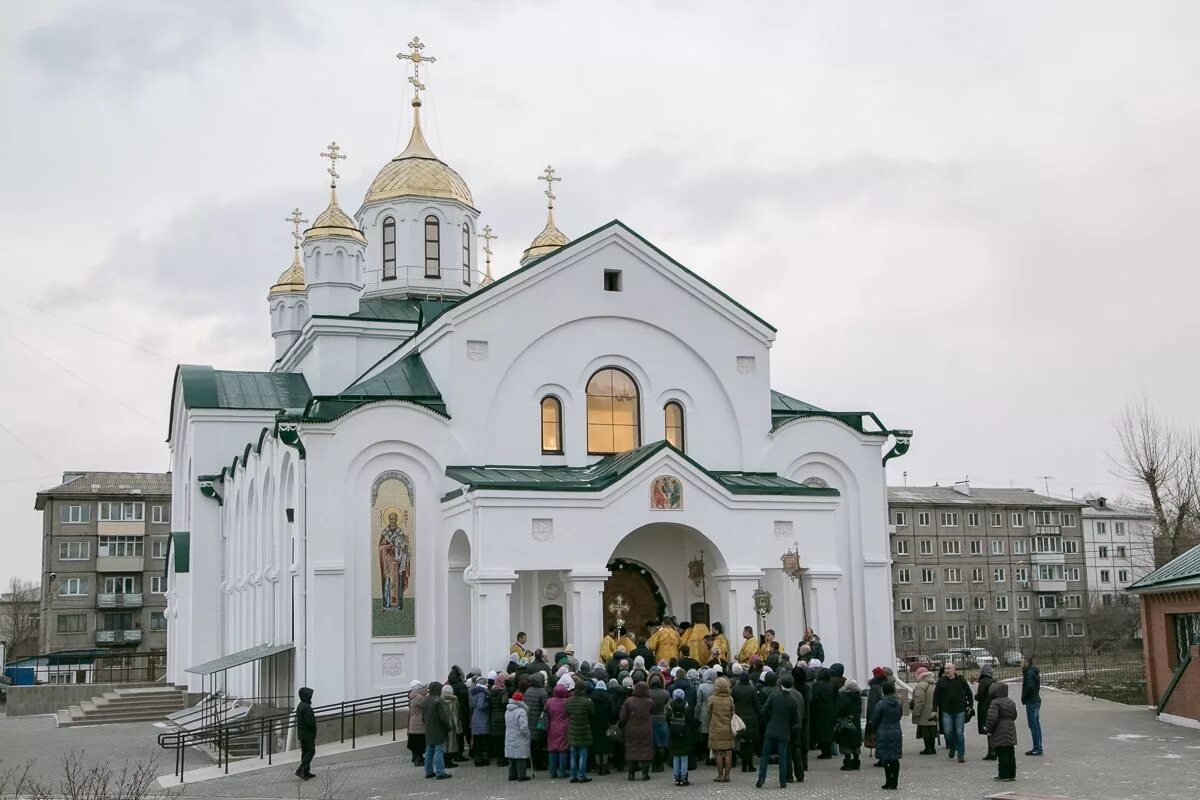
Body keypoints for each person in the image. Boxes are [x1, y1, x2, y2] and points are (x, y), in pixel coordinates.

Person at [755, 670, 799, 789]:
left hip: (771, 729)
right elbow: (795, 719)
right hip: (784, 731)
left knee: (765, 755)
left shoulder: (774, 696)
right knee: (783, 757)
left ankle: (761, 778)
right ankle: (782, 781)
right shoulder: (793, 701)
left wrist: (767, 722)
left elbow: (764, 710)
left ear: (781, 685)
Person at [934, 661, 973, 762]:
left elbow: (969, 693)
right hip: (946, 710)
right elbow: (935, 697)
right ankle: (952, 747)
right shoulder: (941, 681)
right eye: (945, 668)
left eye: (948, 668)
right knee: (948, 732)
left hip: (960, 710)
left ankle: (961, 754)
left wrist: (970, 706)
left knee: (959, 733)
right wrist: (934, 710)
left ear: (954, 670)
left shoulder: (960, 680)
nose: (946, 670)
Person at [619, 681, 655, 780]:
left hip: (631, 729)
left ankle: (631, 775)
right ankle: (645, 774)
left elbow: (622, 718)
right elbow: (652, 712)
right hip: (646, 729)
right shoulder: (650, 702)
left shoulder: (629, 701)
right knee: (646, 750)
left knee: (631, 750)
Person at [871, 681, 903, 790]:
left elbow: (875, 719)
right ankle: (895, 782)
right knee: (895, 758)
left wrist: (875, 729)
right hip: (896, 731)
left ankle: (888, 781)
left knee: (886, 758)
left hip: (883, 732)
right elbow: (899, 715)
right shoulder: (898, 703)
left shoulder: (881, 704)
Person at [985, 681, 1018, 782]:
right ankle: (1012, 774)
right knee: (1010, 752)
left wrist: (988, 729)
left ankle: (1003, 775)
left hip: (1000, 730)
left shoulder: (995, 703)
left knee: (1002, 753)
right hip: (1011, 728)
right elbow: (1015, 715)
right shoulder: (1011, 702)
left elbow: (992, 718)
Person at [730, 666, 761, 772]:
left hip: (739, 717)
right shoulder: (752, 689)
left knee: (742, 741)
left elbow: (732, 703)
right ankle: (750, 764)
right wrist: (759, 716)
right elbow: (756, 704)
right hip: (751, 718)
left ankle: (743, 765)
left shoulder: (735, 689)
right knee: (749, 741)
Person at [706, 676, 735, 782]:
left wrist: (709, 724)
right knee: (728, 752)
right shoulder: (730, 699)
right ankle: (727, 775)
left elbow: (708, 714)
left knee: (718, 752)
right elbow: (732, 713)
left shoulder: (712, 699)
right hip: (727, 728)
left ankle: (720, 775)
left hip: (716, 728)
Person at [422, 681, 453, 780]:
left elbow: (423, 717)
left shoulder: (425, 700)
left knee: (429, 750)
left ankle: (429, 771)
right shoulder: (439, 701)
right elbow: (443, 717)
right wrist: (448, 727)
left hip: (428, 728)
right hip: (438, 729)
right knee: (439, 750)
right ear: (438, 690)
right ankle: (440, 772)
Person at [564, 683, 594, 782]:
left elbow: (567, 713)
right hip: (584, 731)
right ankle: (581, 775)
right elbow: (592, 714)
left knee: (573, 755)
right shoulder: (587, 702)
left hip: (572, 730)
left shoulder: (568, 702)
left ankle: (573, 776)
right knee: (582, 755)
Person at [834, 678, 863, 770]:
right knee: (855, 743)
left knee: (845, 743)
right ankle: (856, 761)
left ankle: (848, 763)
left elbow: (838, 711)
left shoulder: (843, 698)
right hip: (856, 722)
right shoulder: (858, 697)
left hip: (845, 723)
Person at [667, 688, 693, 785]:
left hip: (673, 731)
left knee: (675, 755)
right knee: (684, 755)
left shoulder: (670, 705)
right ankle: (683, 778)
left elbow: (667, 718)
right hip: (684, 731)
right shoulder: (686, 705)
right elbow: (690, 718)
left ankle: (676, 777)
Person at [808, 667, 837, 759]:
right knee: (828, 731)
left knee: (821, 732)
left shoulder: (817, 685)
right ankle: (828, 751)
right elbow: (836, 698)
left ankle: (824, 752)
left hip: (819, 711)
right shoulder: (832, 685)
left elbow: (813, 698)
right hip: (831, 710)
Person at [590, 679, 616, 775]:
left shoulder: (591, 699)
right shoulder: (608, 698)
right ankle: (604, 767)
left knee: (597, 748)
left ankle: (598, 767)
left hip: (595, 726)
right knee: (605, 747)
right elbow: (613, 712)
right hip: (606, 725)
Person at [909, 667, 938, 755]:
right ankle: (933, 748)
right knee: (932, 730)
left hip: (924, 712)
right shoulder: (933, 684)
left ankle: (928, 748)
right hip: (933, 711)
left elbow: (919, 701)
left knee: (925, 731)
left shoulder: (921, 685)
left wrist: (916, 713)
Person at [523, 672, 549, 769]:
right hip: (538, 720)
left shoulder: (528, 691)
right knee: (539, 743)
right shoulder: (543, 692)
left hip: (529, 719)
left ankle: (529, 763)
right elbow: (545, 707)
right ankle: (538, 764)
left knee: (531, 743)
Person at [504, 690, 531, 781]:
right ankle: (521, 775)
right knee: (520, 757)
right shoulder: (521, 711)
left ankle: (512, 775)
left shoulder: (507, 710)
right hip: (519, 736)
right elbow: (523, 727)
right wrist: (528, 734)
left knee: (512, 756)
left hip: (509, 735)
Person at [647, 672, 671, 771]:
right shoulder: (666, 693)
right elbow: (669, 706)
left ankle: (653, 766)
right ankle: (660, 765)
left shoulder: (647, 693)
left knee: (652, 744)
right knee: (661, 744)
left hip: (650, 719)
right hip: (662, 720)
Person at [546, 682, 570, 778]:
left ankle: (552, 772)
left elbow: (546, 712)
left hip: (552, 727)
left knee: (552, 749)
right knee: (562, 749)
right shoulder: (567, 702)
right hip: (564, 727)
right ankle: (562, 771)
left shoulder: (549, 701)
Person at [865, 666, 888, 766]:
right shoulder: (886, 685)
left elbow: (872, 704)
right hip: (886, 715)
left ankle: (882, 758)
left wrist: (870, 719)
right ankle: (886, 757)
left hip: (877, 715)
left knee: (878, 737)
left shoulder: (874, 688)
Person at [1021, 656, 1043, 756]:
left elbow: (1030, 687)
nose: (1021, 661)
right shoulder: (1032, 672)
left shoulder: (1029, 673)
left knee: (1033, 725)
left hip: (1032, 701)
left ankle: (1037, 748)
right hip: (1035, 700)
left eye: (1022, 659)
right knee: (1036, 724)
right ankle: (1038, 747)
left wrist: (1025, 696)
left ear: (1026, 662)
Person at [294, 686, 316, 780]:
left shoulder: (300, 705)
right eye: (309, 696)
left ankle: (306, 771)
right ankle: (301, 770)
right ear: (306, 696)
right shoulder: (306, 707)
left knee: (305, 752)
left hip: (302, 733)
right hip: (308, 734)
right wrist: (314, 725)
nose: (311, 697)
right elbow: (309, 722)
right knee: (311, 751)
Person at [975, 664, 997, 760]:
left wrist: (975, 696)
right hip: (994, 707)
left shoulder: (983, 682)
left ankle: (991, 751)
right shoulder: (994, 681)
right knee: (993, 729)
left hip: (984, 708)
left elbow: (979, 696)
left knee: (988, 730)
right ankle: (994, 751)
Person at [488, 673, 509, 766]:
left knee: (496, 739)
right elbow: (504, 702)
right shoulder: (503, 691)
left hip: (493, 716)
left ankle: (498, 759)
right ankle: (502, 760)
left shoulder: (491, 691)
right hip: (501, 717)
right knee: (502, 739)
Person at [469, 677, 491, 765]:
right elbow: (481, 706)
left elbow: (472, 705)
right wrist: (488, 703)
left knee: (477, 740)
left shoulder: (474, 693)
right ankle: (480, 759)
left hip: (476, 717)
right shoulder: (482, 693)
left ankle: (477, 758)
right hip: (482, 719)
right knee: (481, 741)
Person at [440, 684, 462, 767]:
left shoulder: (440, 701)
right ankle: (448, 762)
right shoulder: (453, 701)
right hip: (451, 725)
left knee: (444, 744)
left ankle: (444, 761)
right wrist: (458, 729)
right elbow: (455, 715)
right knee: (451, 744)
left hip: (442, 725)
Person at [407, 680, 428, 766]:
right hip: (419, 723)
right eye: (425, 689)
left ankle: (415, 758)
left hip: (413, 723)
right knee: (420, 742)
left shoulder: (413, 696)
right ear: (420, 690)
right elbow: (426, 706)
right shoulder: (419, 698)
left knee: (415, 742)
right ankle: (418, 760)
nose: (426, 691)